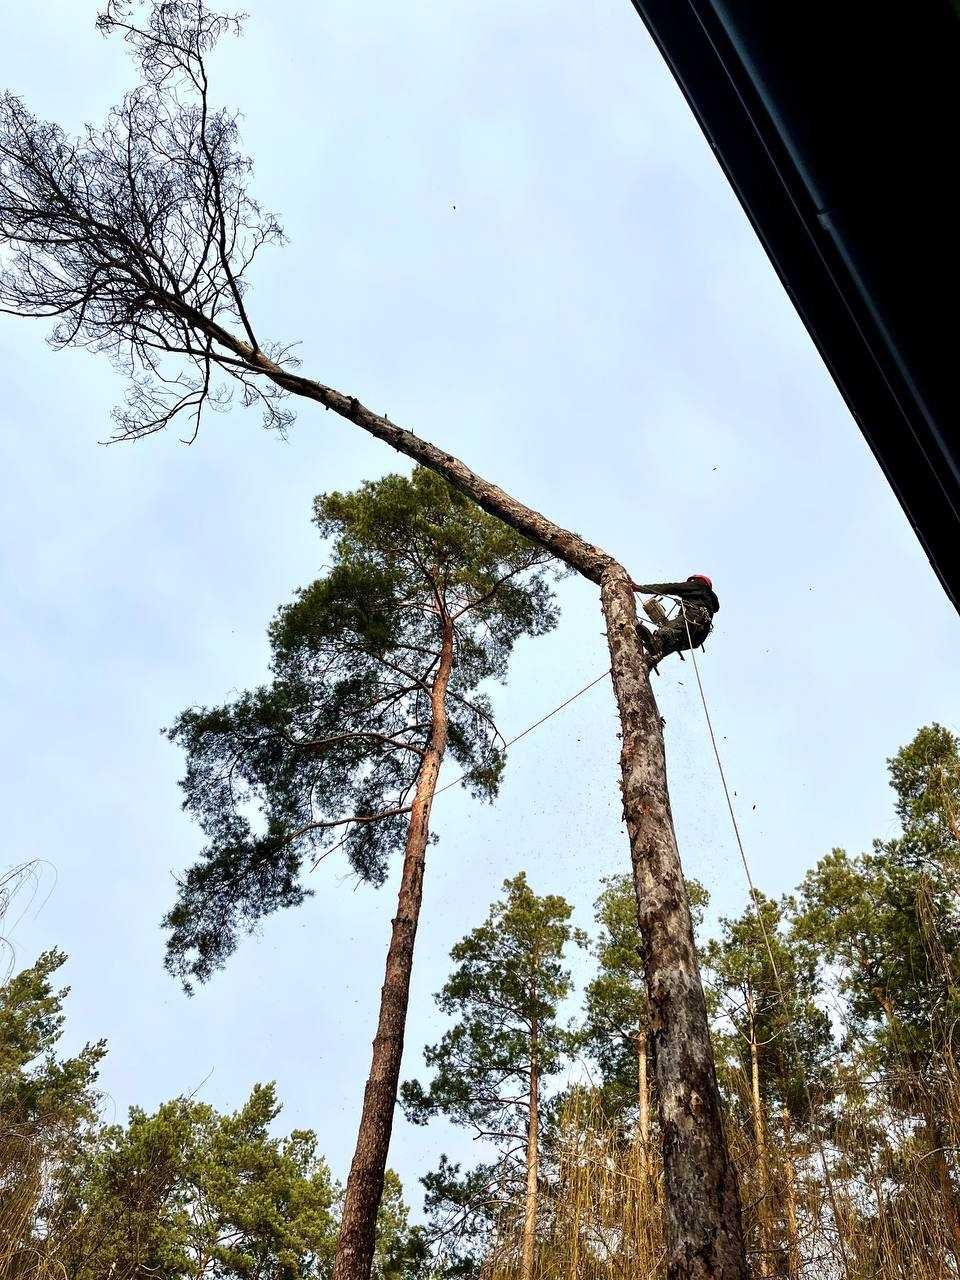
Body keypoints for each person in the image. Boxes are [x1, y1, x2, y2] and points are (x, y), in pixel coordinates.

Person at [631, 575, 719, 666]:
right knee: (672, 642)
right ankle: (651, 659)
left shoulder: (698, 586)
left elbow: (671, 587)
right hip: (698, 638)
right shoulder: (708, 601)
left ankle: (657, 641)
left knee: (669, 632)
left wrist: (639, 588)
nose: (690, 583)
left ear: (700, 581)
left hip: (695, 617)